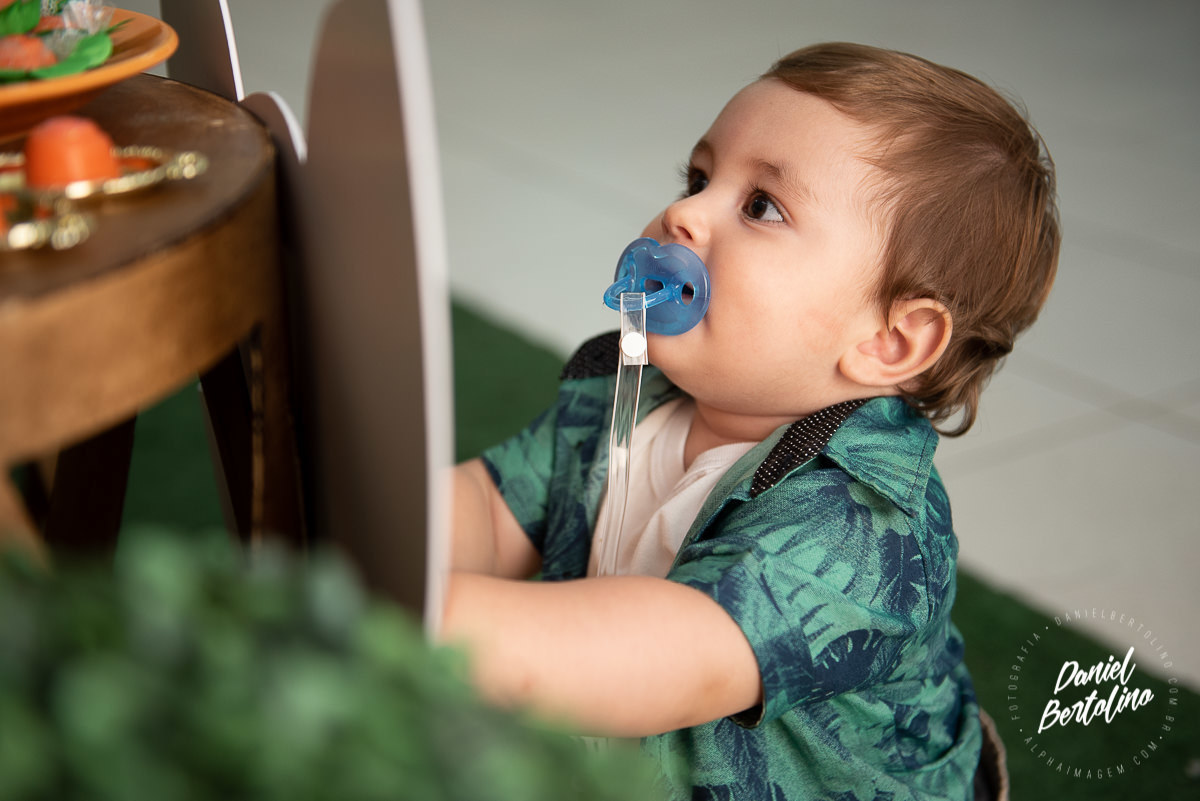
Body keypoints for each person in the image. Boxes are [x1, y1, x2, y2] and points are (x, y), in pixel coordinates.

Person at [441, 42, 1059, 800]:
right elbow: (491, 507)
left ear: (887, 341)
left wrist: (429, 610)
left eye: (760, 205)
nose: (682, 214)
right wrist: (395, 528)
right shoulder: (630, 393)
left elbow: (658, 652)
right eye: (699, 177)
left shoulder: (863, 528)